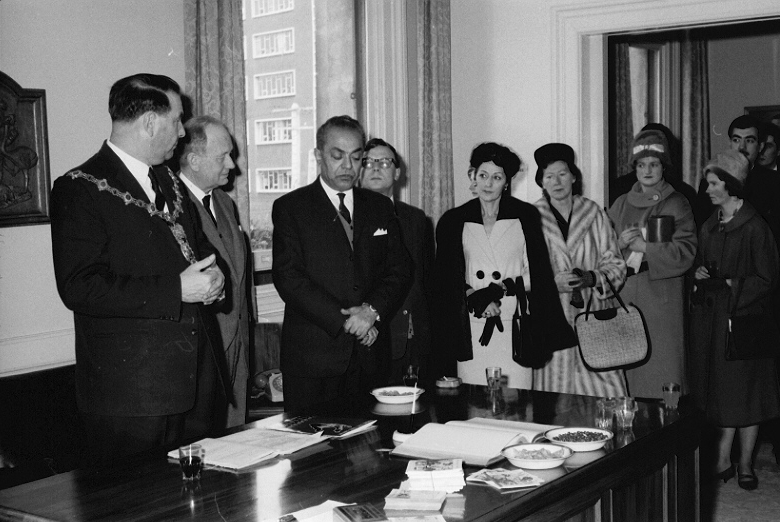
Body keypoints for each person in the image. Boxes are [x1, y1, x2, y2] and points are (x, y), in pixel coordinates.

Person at [50, 74, 227, 465]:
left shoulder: (171, 182)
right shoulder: (80, 188)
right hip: (132, 398)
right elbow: (79, 287)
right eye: (178, 121)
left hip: (196, 383)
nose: (182, 132)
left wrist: (214, 279)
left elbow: (197, 253)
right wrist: (177, 290)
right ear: (150, 123)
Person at [272, 115, 411, 411]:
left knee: (374, 450)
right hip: (313, 360)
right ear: (319, 156)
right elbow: (289, 278)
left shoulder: (380, 207)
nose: (348, 166)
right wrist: (351, 322)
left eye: (356, 157)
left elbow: (399, 270)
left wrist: (372, 311)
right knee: (312, 451)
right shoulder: (290, 208)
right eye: (338, 156)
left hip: (371, 357)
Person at [433, 142, 574, 388]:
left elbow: (538, 274)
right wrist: (475, 296)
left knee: (517, 407)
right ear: (472, 176)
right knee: (474, 407)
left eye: (497, 177)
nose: (488, 184)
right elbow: (444, 278)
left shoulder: (526, 216)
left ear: (507, 182)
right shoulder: (453, 220)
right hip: (471, 324)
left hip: (515, 326)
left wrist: (498, 289)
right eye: (483, 175)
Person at [688, 149, 780, 490]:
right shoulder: (710, 225)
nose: (708, 189)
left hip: (745, 323)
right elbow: (699, 265)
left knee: (749, 396)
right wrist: (697, 273)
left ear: (730, 185)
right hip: (713, 323)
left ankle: (745, 464)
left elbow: (768, 278)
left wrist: (732, 284)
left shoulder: (755, 227)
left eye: (713, 183)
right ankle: (723, 460)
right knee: (723, 394)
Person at [531, 143, 628, 397]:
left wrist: (593, 278)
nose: (556, 181)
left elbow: (616, 263)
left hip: (593, 318)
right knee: (554, 404)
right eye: (549, 176)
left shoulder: (594, 212)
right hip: (552, 323)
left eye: (562, 174)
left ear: (574, 176)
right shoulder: (531, 217)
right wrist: (553, 284)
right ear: (541, 182)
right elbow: (524, 273)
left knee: (607, 399)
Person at [608, 129, 697, 399]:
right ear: (634, 168)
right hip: (625, 296)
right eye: (642, 164)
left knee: (662, 373)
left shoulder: (677, 202)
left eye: (654, 164)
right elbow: (601, 248)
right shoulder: (621, 204)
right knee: (627, 375)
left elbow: (687, 250)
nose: (648, 170)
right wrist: (621, 245)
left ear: (663, 167)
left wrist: (645, 248)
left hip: (661, 299)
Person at [178, 115, 253, 428]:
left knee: (236, 438)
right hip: (200, 353)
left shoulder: (224, 202)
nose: (232, 165)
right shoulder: (172, 206)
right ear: (194, 160)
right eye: (223, 156)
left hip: (237, 345)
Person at [359, 138, 434, 386]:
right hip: (368, 337)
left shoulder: (416, 219)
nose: (376, 167)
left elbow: (425, 280)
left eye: (384, 162)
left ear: (398, 172)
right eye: (368, 162)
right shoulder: (346, 218)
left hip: (411, 339)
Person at [693, 115, 780, 237]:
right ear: (730, 143)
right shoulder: (709, 182)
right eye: (736, 140)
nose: (741, 147)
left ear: (760, 146)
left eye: (749, 141)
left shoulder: (775, 182)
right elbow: (701, 228)